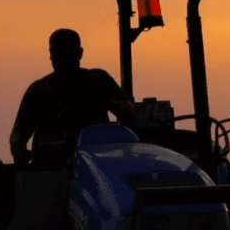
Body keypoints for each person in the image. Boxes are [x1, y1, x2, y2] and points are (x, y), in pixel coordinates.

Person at [10, 29, 136, 165]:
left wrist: (125, 108)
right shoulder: (38, 92)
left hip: (95, 166)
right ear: (50, 55)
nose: (63, 63)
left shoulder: (99, 81)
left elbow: (127, 110)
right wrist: (19, 149)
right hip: (49, 170)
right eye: (58, 57)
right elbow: (19, 135)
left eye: (68, 56)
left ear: (80, 54)